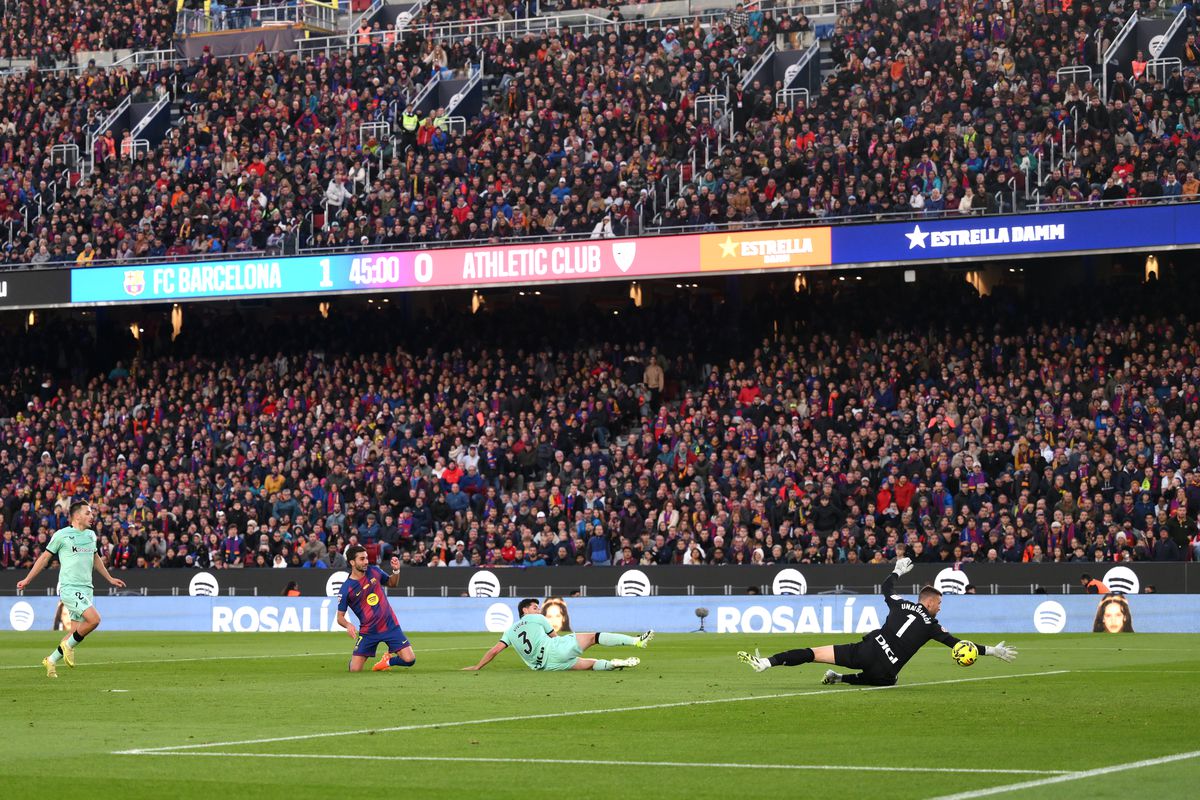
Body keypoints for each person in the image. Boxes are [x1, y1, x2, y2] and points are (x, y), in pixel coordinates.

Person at [737, 558, 1017, 685]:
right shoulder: (932, 625)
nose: (940, 608)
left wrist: (895, 571)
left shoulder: (901, 603)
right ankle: (841, 678)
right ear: (929, 601)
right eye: (940, 603)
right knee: (888, 681)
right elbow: (959, 645)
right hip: (885, 669)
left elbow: (885, 588)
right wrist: (991, 650)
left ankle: (767, 663)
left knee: (813, 653)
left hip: (867, 649)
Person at [16, 501, 126, 678]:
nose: (92, 516)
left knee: (73, 633)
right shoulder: (62, 535)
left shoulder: (91, 535)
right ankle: (66, 648)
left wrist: (110, 578)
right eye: (88, 513)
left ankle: (51, 660)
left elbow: (95, 557)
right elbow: (44, 558)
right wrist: (28, 579)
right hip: (69, 587)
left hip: (87, 588)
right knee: (94, 620)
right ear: (77, 516)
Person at [463, 598, 652, 672]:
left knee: (591, 664)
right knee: (594, 637)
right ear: (525, 610)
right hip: (554, 650)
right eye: (535, 607)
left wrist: (477, 666)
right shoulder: (538, 619)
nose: (538, 609)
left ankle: (613, 664)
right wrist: (571, 645)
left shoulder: (510, 630)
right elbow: (555, 638)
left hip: (546, 667)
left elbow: (495, 650)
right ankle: (637, 642)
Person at [335, 546, 416, 672]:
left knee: (410, 659)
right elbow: (340, 617)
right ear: (352, 562)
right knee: (354, 670)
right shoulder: (346, 589)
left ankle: (387, 661)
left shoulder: (374, 571)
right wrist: (348, 625)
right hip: (369, 632)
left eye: (366, 558)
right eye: (362, 559)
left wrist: (396, 571)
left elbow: (392, 583)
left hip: (390, 625)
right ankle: (354, 661)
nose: (366, 561)